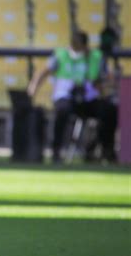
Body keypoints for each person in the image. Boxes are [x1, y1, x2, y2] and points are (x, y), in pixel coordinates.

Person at [27, 30, 117, 163]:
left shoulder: (96, 57)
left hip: (89, 99)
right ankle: (56, 152)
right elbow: (43, 72)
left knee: (109, 111)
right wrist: (33, 87)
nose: (75, 48)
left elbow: (110, 80)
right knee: (62, 111)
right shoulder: (61, 55)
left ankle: (102, 151)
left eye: (78, 45)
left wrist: (101, 85)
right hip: (66, 97)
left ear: (85, 46)